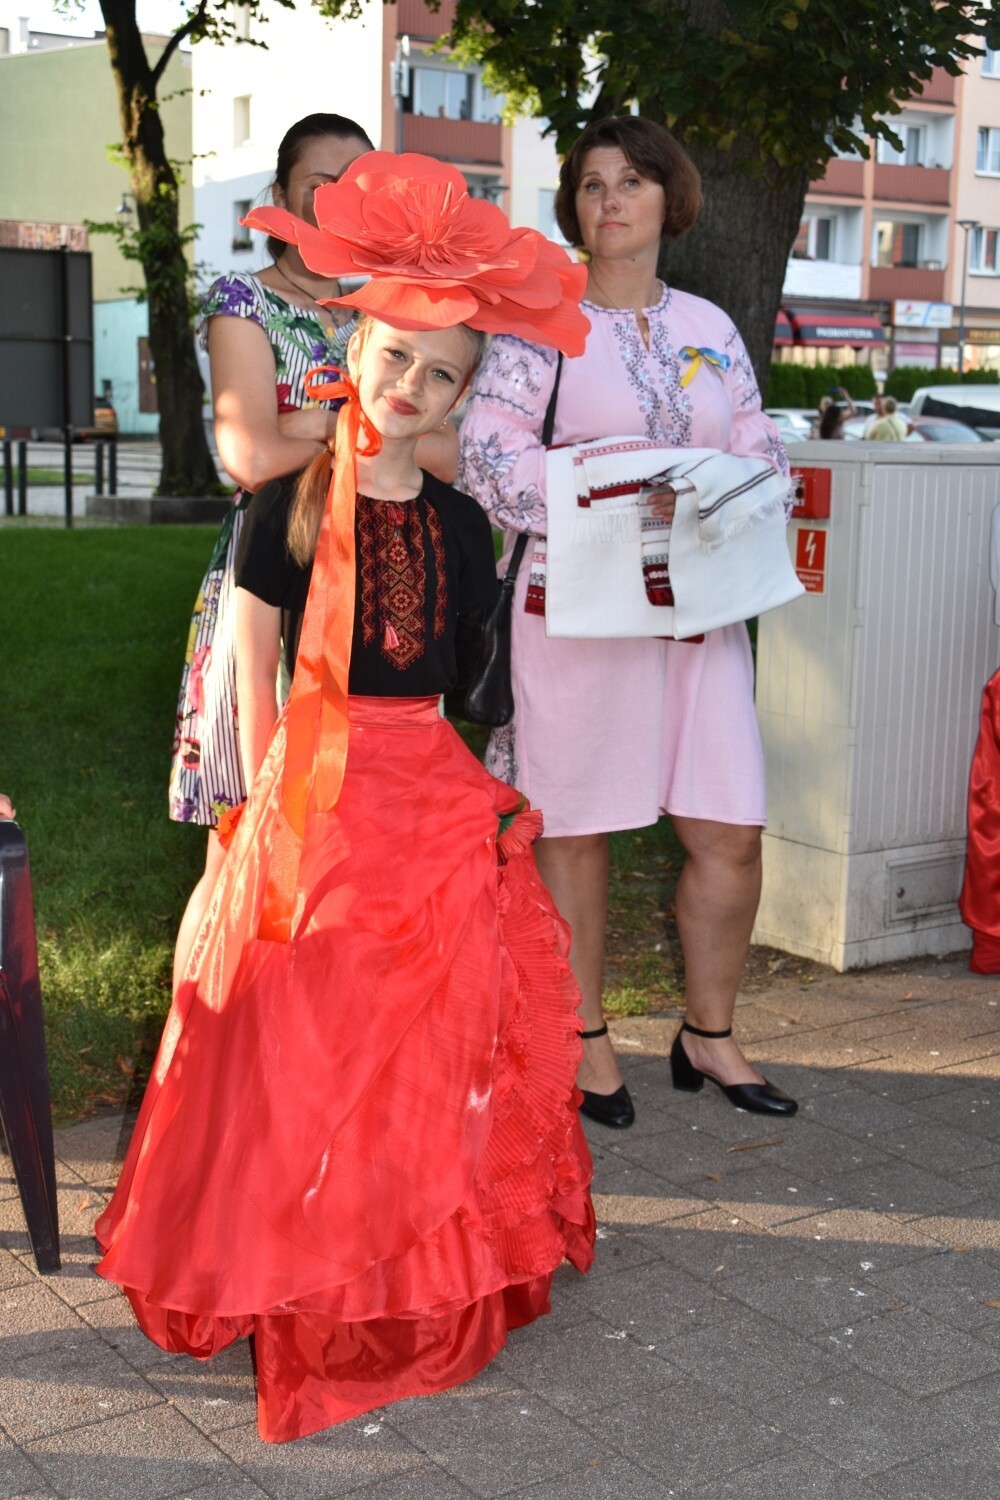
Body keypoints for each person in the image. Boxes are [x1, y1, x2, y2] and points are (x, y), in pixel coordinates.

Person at [96, 152, 595, 1444]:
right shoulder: (285, 503)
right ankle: (294, 1244)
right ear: (352, 353)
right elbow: (252, 665)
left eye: (443, 376)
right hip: (311, 785)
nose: (411, 386)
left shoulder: (461, 523)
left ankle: (407, 1245)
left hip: (423, 786)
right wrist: (272, 814)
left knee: (433, 1030)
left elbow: (460, 676)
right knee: (307, 1024)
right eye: (396, 359)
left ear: (462, 397)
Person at [459, 115, 799, 1128]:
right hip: (575, 607)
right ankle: (584, 1036)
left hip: (697, 610)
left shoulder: (708, 325)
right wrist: (623, 485)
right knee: (576, 826)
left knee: (730, 828)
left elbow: (759, 447)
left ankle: (709, 1034)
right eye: (592, 183)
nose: (610, 199)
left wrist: (737, 490)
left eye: (632, 181)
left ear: (668, 200)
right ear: (575, 204)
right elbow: (487, 458)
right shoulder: (538, 321)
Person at [169, 113, 456, 991]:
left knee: (349, 856)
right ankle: (200, 1043)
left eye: (356, 188)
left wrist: (305, 420)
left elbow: (450, 454)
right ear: (281, 196)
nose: (336, 204)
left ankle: (310, 1040)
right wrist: (361, 428)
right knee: (239, 843)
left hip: (378, 597)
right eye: (317, 186)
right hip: (275, 579)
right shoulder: (242, 300)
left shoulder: (390, 307)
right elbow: (249, 454)